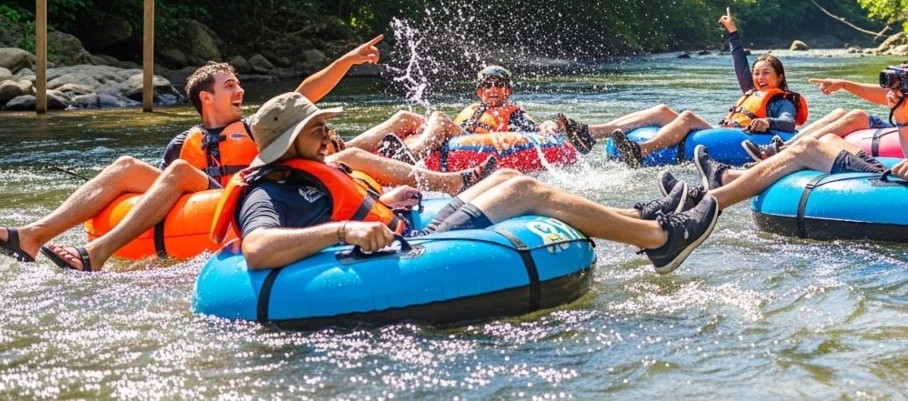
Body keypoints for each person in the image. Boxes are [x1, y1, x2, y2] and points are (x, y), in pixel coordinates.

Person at [0, 38, 488, 271]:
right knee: (130, 167)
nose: (239, 90)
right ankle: (34, 234)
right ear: (205, 99)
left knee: (176, 171)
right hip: (208, 194)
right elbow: (164, 189)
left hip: (248, 197)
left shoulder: (258, 128)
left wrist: (347, 61)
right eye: (230, 84)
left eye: (239, 83)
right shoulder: (184, 145)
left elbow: (306, 91)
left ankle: (96, 254)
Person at [215, 91, 720, 274]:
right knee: (524, 191)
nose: (329, 134)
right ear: (289, 144)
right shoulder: (269, 190)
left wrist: (378, 202)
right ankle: (661, 241)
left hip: (402, 233)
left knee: (506, 174)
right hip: (402, 254)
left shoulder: (310, 174)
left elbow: (332, 204)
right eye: (317, 129)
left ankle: (642, 216)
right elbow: (258, 248)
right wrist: (342, 232)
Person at [661, 43, 908, 213]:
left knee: (810, 148)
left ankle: (707, 204)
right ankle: (725, 181)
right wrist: (903, 118)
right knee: (824, 141)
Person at [556, 8, 807, 167]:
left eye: (766, 73)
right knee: (661, 110)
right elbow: (740, 64)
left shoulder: (781, 101)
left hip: (739, 138)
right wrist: (733, 32)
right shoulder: (751, 91)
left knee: (687, 116)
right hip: (720, 132)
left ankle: (640, 151)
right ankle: (589, 133)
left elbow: (788, 123)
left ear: (779, 77)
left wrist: (768, 123)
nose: (760, 78)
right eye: (757, 73)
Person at [743, 41, 908, 161]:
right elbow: (882, 96)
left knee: (858, 116)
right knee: (840, 111)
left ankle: (784, 151)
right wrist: (845, 84)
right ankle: (783, 148)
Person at [353, 65, 556, 163]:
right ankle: (344, 148)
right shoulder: (473, 109)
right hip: (458, 138)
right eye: (487, 85)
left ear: (508, 91)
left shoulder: (515, 114)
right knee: (405, 116)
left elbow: (536, 131)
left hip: (474, 145)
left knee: (438, 117)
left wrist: (548, 125)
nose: (492, 89)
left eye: (499, 85)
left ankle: (411, 156)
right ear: (479, 91)